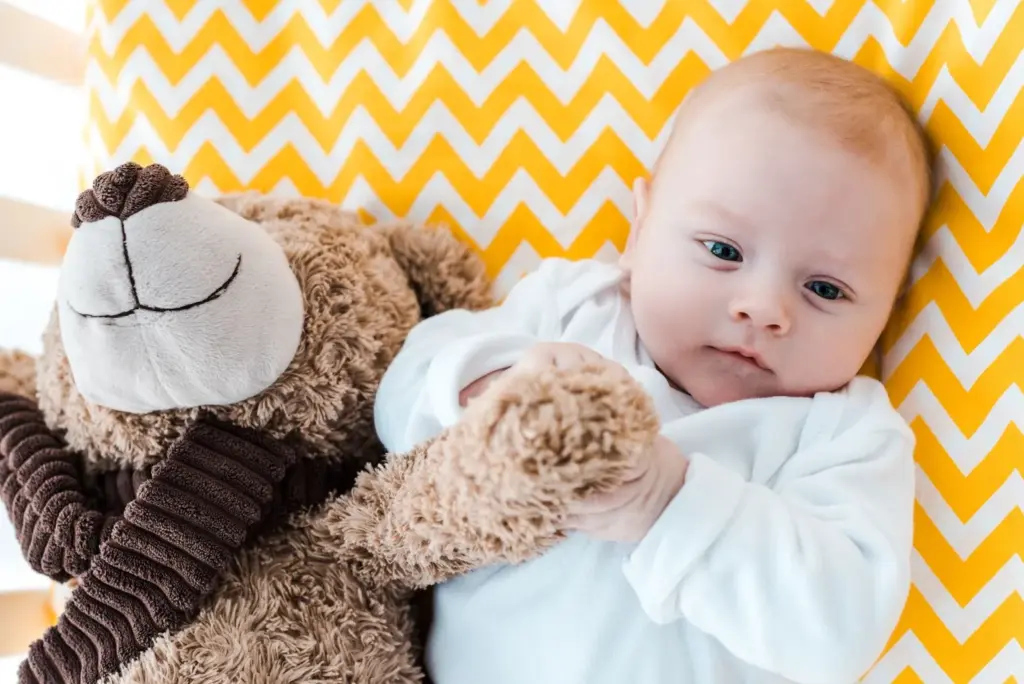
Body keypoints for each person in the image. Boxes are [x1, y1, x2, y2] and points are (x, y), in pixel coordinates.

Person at [373, 46, 933, 684]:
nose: (764, 307)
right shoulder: (573, 309)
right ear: (638, 232)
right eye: (723, 250)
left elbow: (839, 634)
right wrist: (492, 390)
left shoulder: (842, 436)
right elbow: (398, 400)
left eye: (826, 290)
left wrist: (668, 503)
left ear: (886, 313)